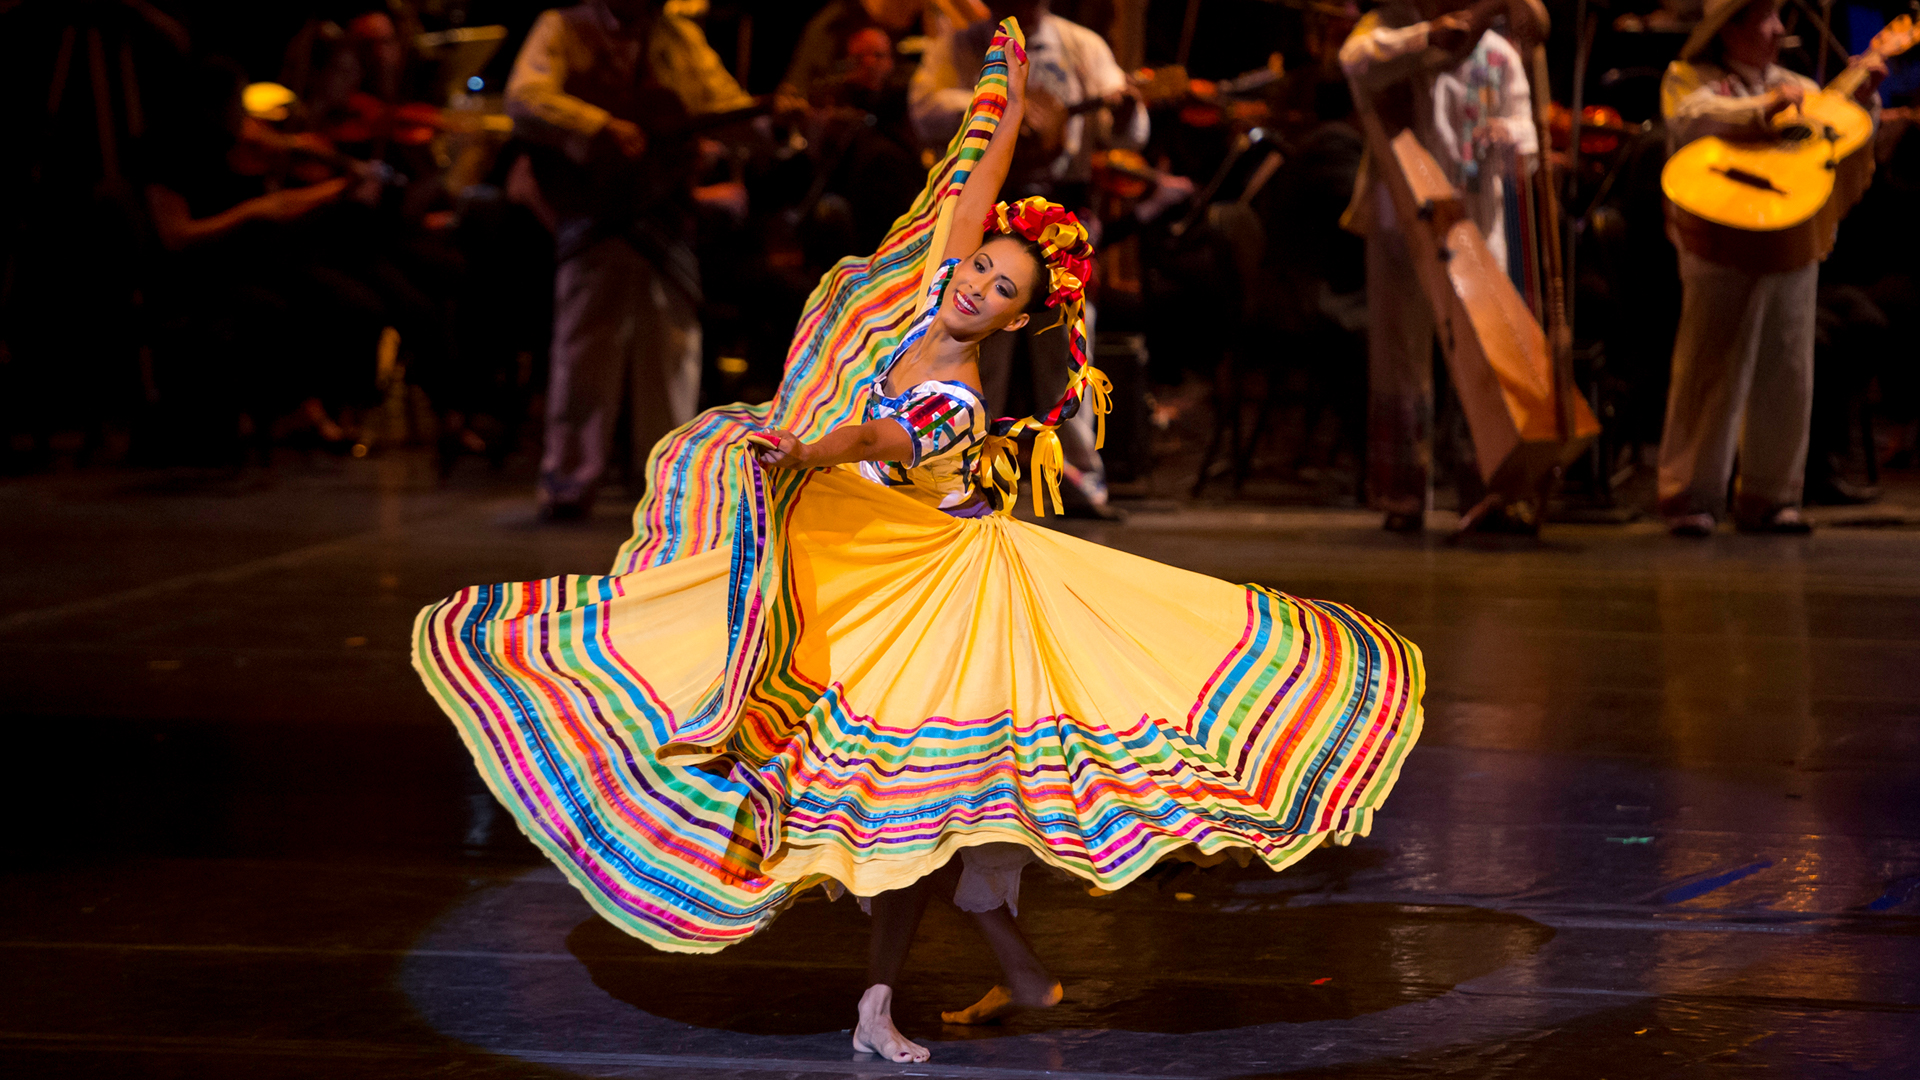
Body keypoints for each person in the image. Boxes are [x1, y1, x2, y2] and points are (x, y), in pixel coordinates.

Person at [413, 23, 1424, 1065]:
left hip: (945, 603)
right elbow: (969, 188)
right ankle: (1022, 977)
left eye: (999, 292)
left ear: (1011, 321)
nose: (975, 284)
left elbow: (873, 436)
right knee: (952, 821)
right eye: (981, 268)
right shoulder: (915, 293)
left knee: (923, 819)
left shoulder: (954, 397)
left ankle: (877, 1005)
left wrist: (807, 446)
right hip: (882, 575)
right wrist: (1003, 96)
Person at [506, 0, 755, 519]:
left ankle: (668, 487)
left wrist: (766, 119)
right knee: (583, 350)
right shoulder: (562, 26)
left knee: (671, 352)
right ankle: (568, 486)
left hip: (662, 209)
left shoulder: (678, 37)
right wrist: (599, 125)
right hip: (593, 210)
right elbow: (526, 96)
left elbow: (724, 103)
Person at [1655, 0, 1885, 535]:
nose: (1779, 29)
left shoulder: (1799, 82)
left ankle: (1770, 493)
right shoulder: (1688, 78)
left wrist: (1865, 105)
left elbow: (1840, 141)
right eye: (1764, 18)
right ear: (1729, 29)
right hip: (1719, 232)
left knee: (1787, 361)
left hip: (1788, 224)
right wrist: (1763, 107)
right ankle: (1689, 492)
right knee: (1711, 364)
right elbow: (1690, 118)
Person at [911, 0, 1146, 515]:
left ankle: (1079, 480)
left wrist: (1126, 108)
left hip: (1059, 215)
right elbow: (923, 108)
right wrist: (996, 103)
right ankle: (960, 469)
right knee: (974, 344)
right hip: (989, 212)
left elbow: (1130, 135)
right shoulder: (959, 46)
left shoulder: (1081, 45)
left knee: (1066, 349)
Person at [1339, 0, 1543, 532]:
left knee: (1484, 357)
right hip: (1400, 220)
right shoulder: (1392, 33)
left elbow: (1528, 130)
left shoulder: (1497, 54)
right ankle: (1404, 495)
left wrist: (1511, 138)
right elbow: (1355, 61)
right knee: (1400, 357)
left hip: (1474, 221)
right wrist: (1430, 35)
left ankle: (1490, 490)